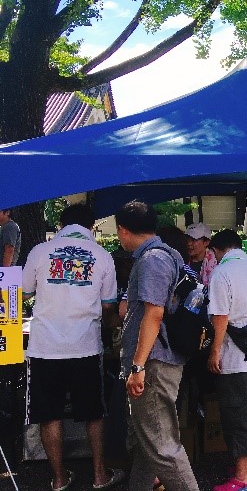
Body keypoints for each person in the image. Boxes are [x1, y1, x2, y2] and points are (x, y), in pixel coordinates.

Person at [22, 203, 123, 491]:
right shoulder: (102, 256)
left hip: (44, 347)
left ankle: (58, 478)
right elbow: (108, 307)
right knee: (93, 412)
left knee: (49, 414)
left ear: (63, 224)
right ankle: (100, 475)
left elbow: (25, 292)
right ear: (90, 226)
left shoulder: (40, 251)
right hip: (85, 347)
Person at [116, 201, 199, 491]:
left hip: (153, 363)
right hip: (161, 359)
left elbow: (154, 313)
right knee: (146, 443)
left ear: (123, 230)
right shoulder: (169, 254)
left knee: (163, 447)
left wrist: (137, 366)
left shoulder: (152, 259)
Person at [207, 229, 247, 491]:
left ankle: (242, 476)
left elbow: (220, 316)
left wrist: (214, 350)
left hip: (236, 356)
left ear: (219, 250)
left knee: (237, 414)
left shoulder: (222, 273)